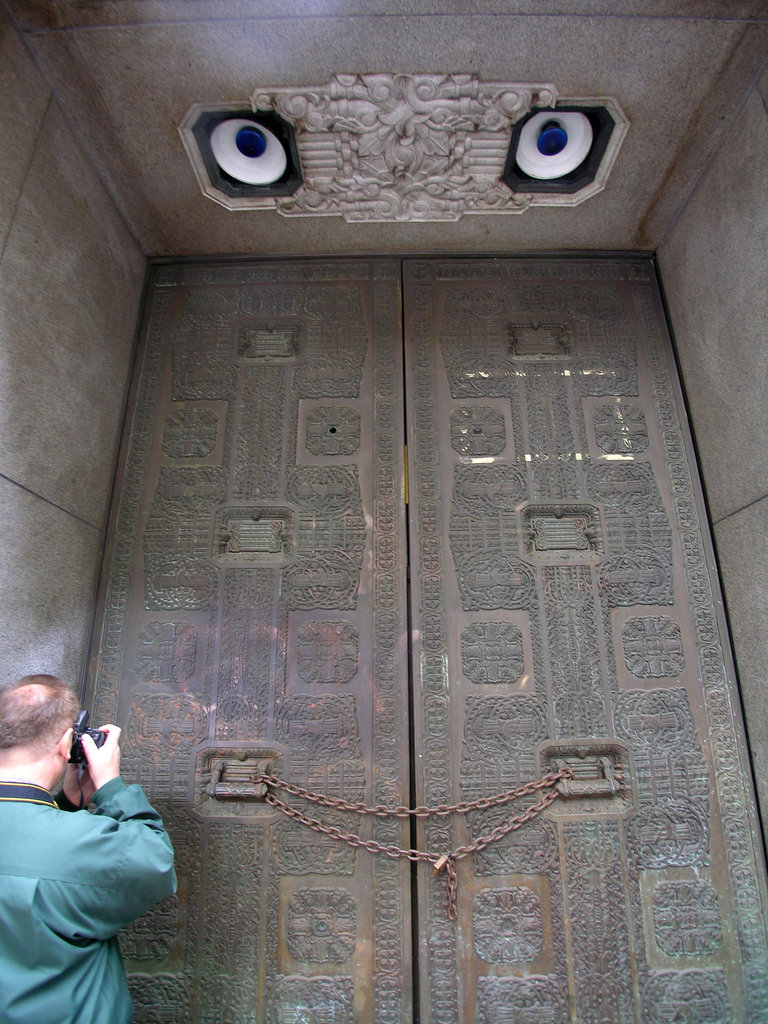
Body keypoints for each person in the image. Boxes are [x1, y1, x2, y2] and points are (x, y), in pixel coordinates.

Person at [0, 674, 176, 1024]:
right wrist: (110, 788)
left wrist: (67, 805)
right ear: (69, 743)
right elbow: (154, 862)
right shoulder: (76, 843)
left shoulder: (68, 837)